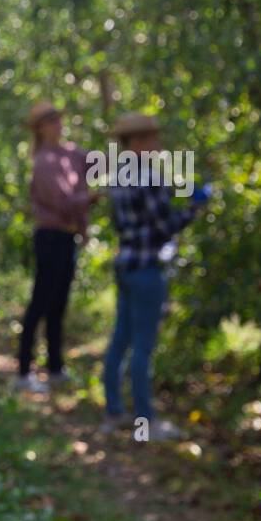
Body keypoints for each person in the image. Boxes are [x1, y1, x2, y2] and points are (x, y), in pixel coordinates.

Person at [100, 112, 210, 440]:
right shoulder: (147, 176)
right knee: (142, 347)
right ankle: (145, 422)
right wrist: (194, 208)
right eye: (152, 139)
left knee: (121, 339)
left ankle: (114, 411)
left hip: (126, 265)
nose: (158, 145)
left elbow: (124, 224)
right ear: (137, 142)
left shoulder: (117, 176)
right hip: (146, 268)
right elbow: (164, 227)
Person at [15, 102, 93, 393]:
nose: (58, 126)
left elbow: (98, 164)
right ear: (41, 128)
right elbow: (62, 202)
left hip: (67, 238)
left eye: (59, 121)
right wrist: (90, 200)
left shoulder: (71, 154)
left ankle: (55, 366)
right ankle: (24, 370)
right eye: (52, 122)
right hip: (50, 236)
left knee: (59, 303)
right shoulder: (44, 162)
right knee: (40, 302)